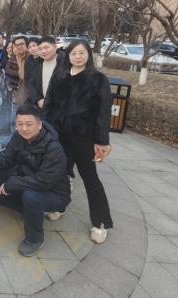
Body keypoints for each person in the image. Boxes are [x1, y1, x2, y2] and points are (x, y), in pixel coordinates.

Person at [0, 104, 71, 256]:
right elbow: (7, 158)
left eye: (29, 124)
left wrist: (12, 184)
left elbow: (44, 181)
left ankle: (34, 240)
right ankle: (32, 213)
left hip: (55, 193)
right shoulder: (18, 137)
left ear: (39, 125)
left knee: (31, 197)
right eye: (20, 124)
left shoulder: (53, 148)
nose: (24, 128)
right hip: (29, 182)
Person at [44, 40, 113, 244]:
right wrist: (45, 129)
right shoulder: (60, 75)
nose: (77, 57)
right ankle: (59, 206)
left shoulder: (98, 80)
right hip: (59, 135)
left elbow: (103, 113)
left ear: (88, 55)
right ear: (68, 56)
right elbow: (49, 103)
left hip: (84, 138)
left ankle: (100, 222)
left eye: (82, 53)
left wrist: (101, 141)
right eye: (73, 53)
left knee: (90, 179)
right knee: (60, 174)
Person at [28, 36, 64, 108]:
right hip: (44, 107)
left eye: (46, 48)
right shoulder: (38, 64)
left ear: (55, 47)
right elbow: (32, 84)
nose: (43, 51)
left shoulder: (65, 62)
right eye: (40, 49)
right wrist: (38, 99)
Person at [5, 36, 30, 104]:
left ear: (27, 45)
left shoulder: (31, 57)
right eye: (16, 45)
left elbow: (28, 76)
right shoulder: (16, 56)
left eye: (21, 44)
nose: (19, 47)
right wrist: (19, 74)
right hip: (20, 87)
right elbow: (7, 69)